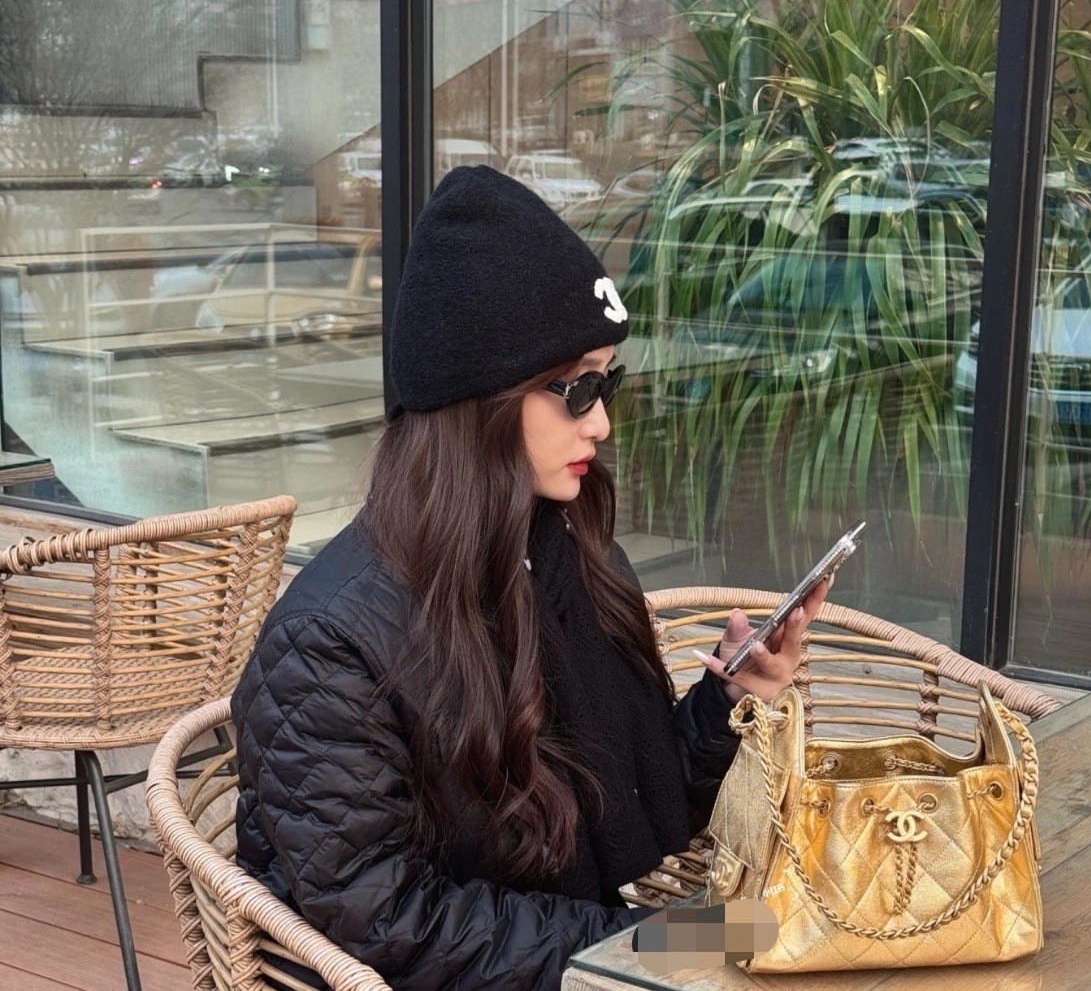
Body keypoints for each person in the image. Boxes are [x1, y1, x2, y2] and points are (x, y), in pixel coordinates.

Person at [231, 166, 831, 991]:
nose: (603, 422)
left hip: (571, 950)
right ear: (479, 400)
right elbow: (390, 923)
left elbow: (629, 802)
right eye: (578, 389)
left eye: (607, 382)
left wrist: (729, 702)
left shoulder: (562, 550)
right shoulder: (329, 644)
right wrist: (674, 945)